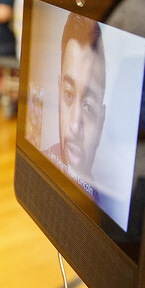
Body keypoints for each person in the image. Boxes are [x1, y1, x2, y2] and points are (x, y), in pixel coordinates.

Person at [46, 13, 106, 199]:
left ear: (101, 123)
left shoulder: (101, 203)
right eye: (68, 95)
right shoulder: (41, 166)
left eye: (88, 106)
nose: (74, 125)